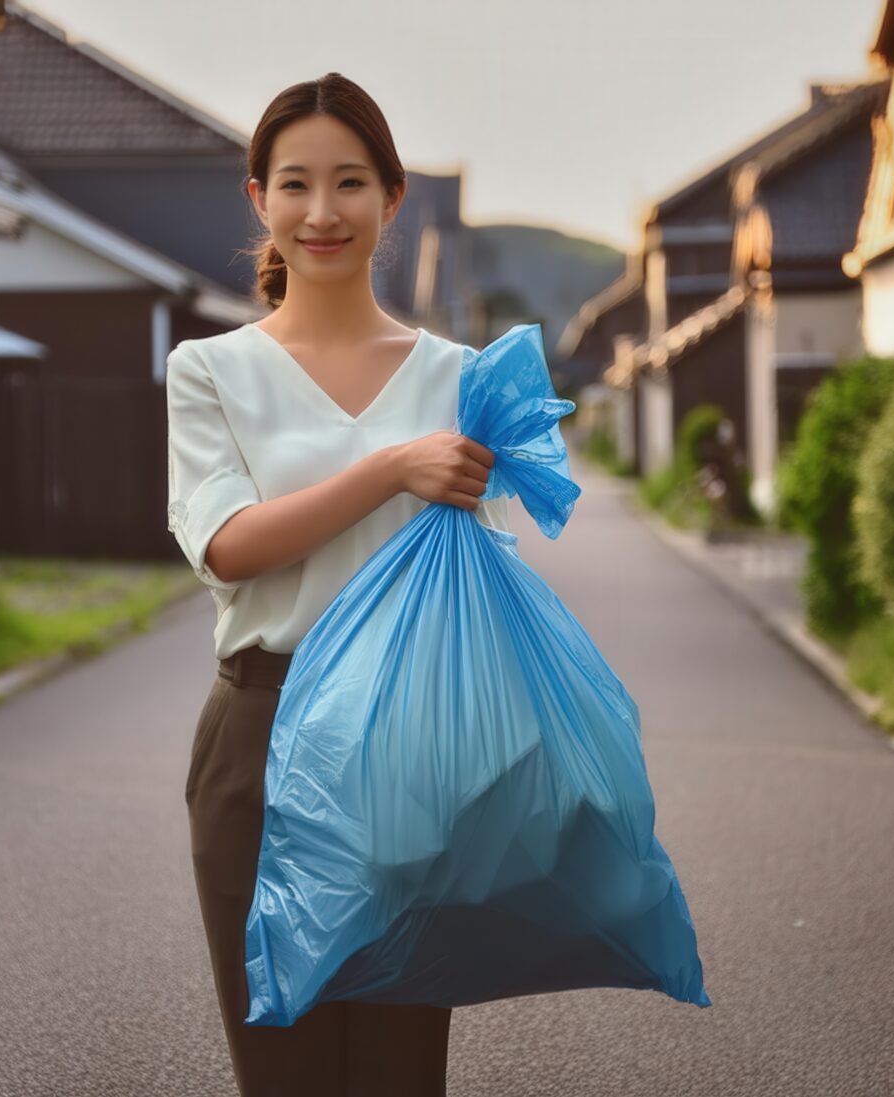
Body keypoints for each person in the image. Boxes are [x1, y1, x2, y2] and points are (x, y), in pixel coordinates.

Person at [164, 72, 511, 1096]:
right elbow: (228, 544)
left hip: (410, 738)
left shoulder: (458, 375)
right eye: (298, 184)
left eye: (351, 182)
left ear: (393, 198)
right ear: (259, 198)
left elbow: (474, 584)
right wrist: (388, 470)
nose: (324, 211)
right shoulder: (209, 369)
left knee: (403, 1070)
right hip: (259, 738)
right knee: (286, 1068)